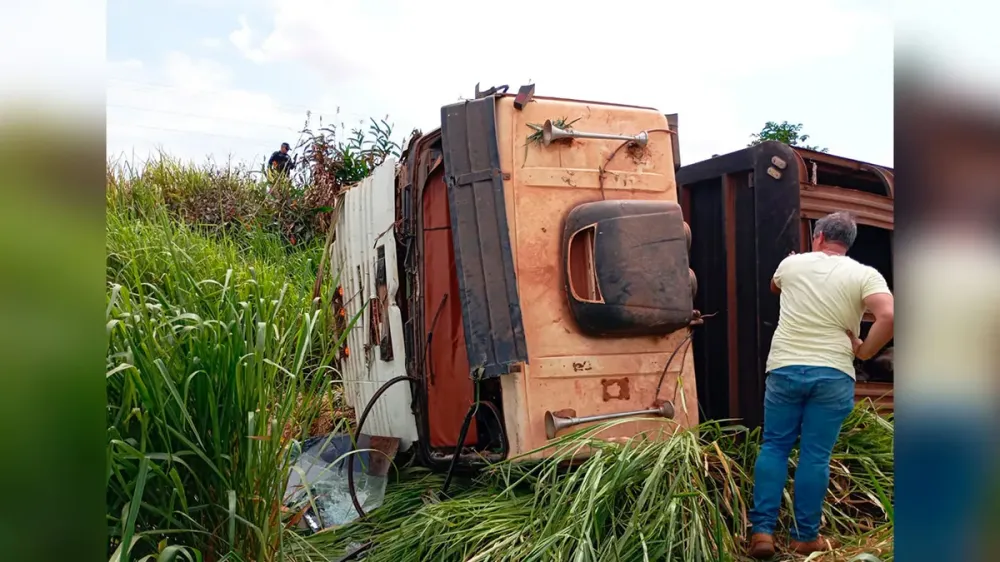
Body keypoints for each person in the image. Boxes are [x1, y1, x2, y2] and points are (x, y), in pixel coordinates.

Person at [747, 211, 894, 559]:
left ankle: (762, 533)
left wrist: (796, 261)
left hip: (785, 367)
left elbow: (774, 286)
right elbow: (888, 315)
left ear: (819, 236)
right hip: (833, 372)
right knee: (815, 456)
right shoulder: (865, 274)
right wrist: (864, 351)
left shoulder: (791, 265)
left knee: (774, 447)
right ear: (848, 243)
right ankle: (804, 537)